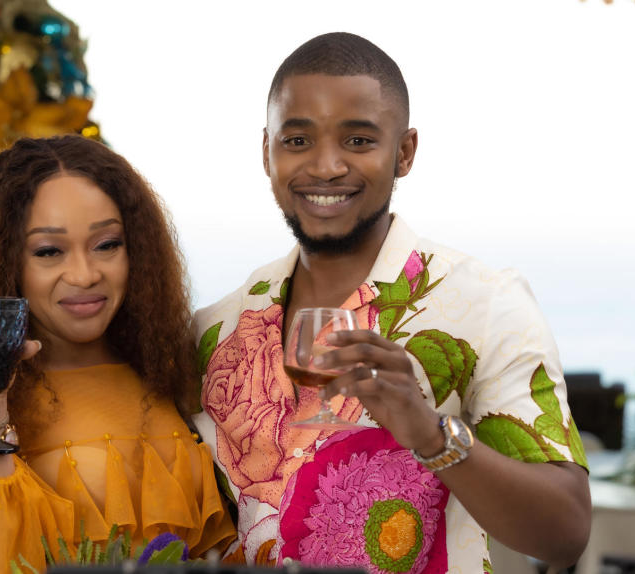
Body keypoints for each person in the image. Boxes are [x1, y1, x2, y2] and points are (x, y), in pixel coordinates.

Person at [191, 32, 591, 572]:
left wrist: (430, 433)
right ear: (267, 152)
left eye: (358, 141)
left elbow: (565, 533)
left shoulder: (488, 306)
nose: (327, 166)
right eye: (297, 141)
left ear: (404, 152)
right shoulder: (217, 327)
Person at [0, 135, 236, 573]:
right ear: (8, 262)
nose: (85, 275)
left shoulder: (168, 372)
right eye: (49, 251)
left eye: (107, 244)